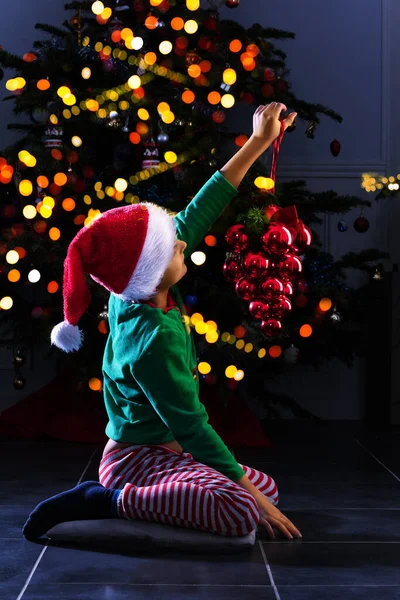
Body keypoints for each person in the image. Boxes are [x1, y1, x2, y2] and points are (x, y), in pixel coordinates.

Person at [23, 103, 302, 542]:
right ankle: (108, 499)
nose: (182, 243)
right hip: (136, 461)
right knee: (243, 509)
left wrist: (258, 142)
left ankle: (183, 489)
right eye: (172, 246)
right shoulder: (153, 339)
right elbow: (193, 427)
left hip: (166, 454)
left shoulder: (130, 289)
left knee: (268, 489)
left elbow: (203, 205)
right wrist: (250, 497)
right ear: (150, 271)